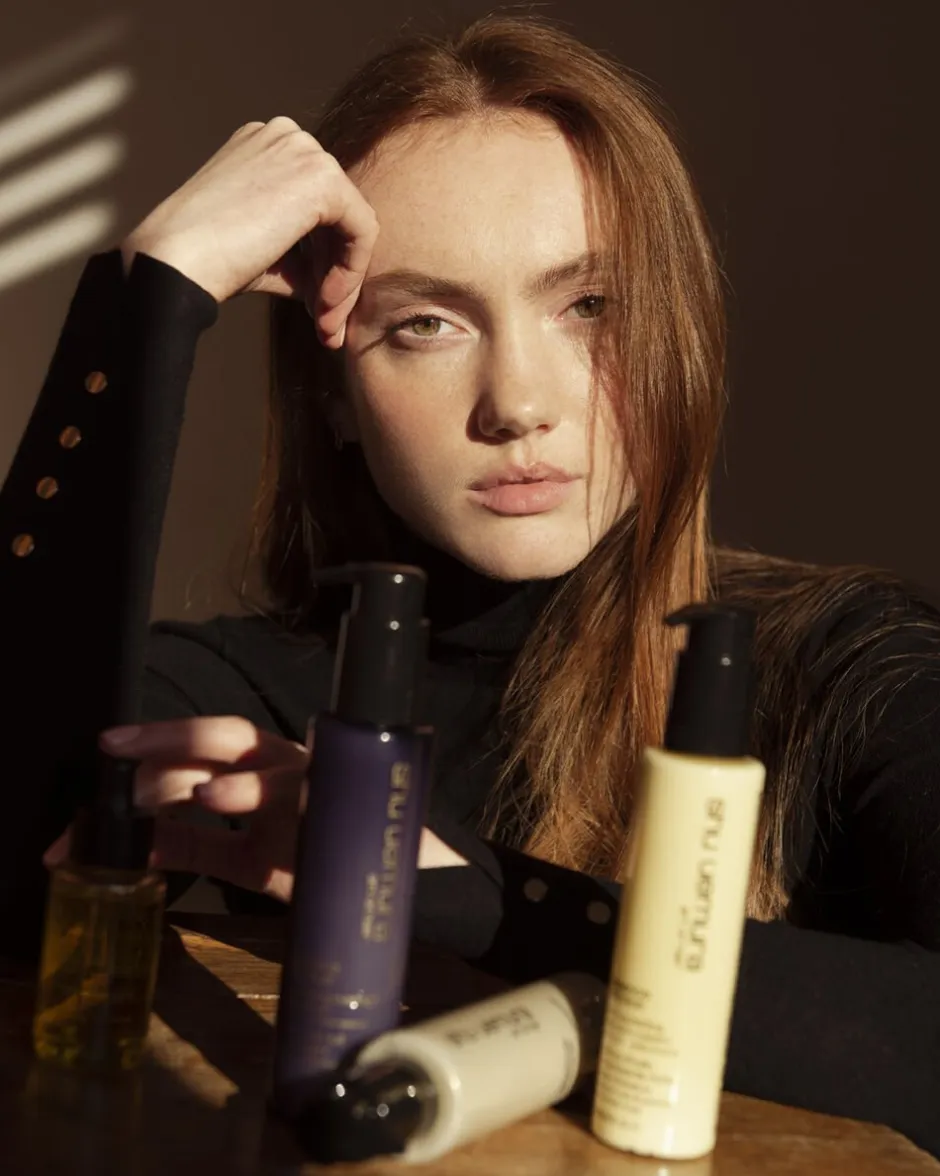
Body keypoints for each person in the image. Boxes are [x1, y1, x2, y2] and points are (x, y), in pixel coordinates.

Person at [2, 13, 939, 1157]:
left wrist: (457, 895)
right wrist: (153, 296)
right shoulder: (256, 716)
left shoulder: (845, 663)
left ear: (679, 335)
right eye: (425, 323)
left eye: (588, 306)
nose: (519, 403)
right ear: (334, 397)